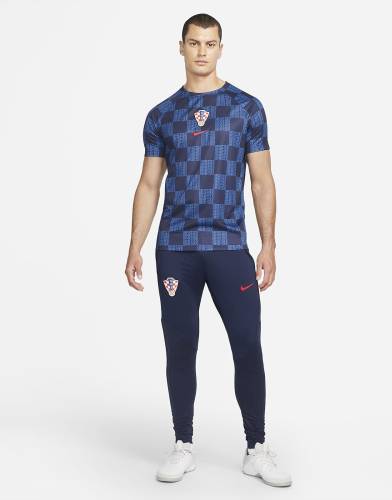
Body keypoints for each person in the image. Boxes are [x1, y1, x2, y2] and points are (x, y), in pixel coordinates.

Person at [125, 12, 292, 487]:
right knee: (180, 345)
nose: (202, 51)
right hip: (176, 248)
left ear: (221, 48)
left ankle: (256, 448)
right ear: (181, 47)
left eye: (210, 43)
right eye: (194, 43)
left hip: (228, 247)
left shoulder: (246, 108)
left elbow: (262, 181)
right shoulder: (162, 115)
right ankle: (183, 444)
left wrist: (269, 243)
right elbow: (149, 184)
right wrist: (135, 245)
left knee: (247, 343)